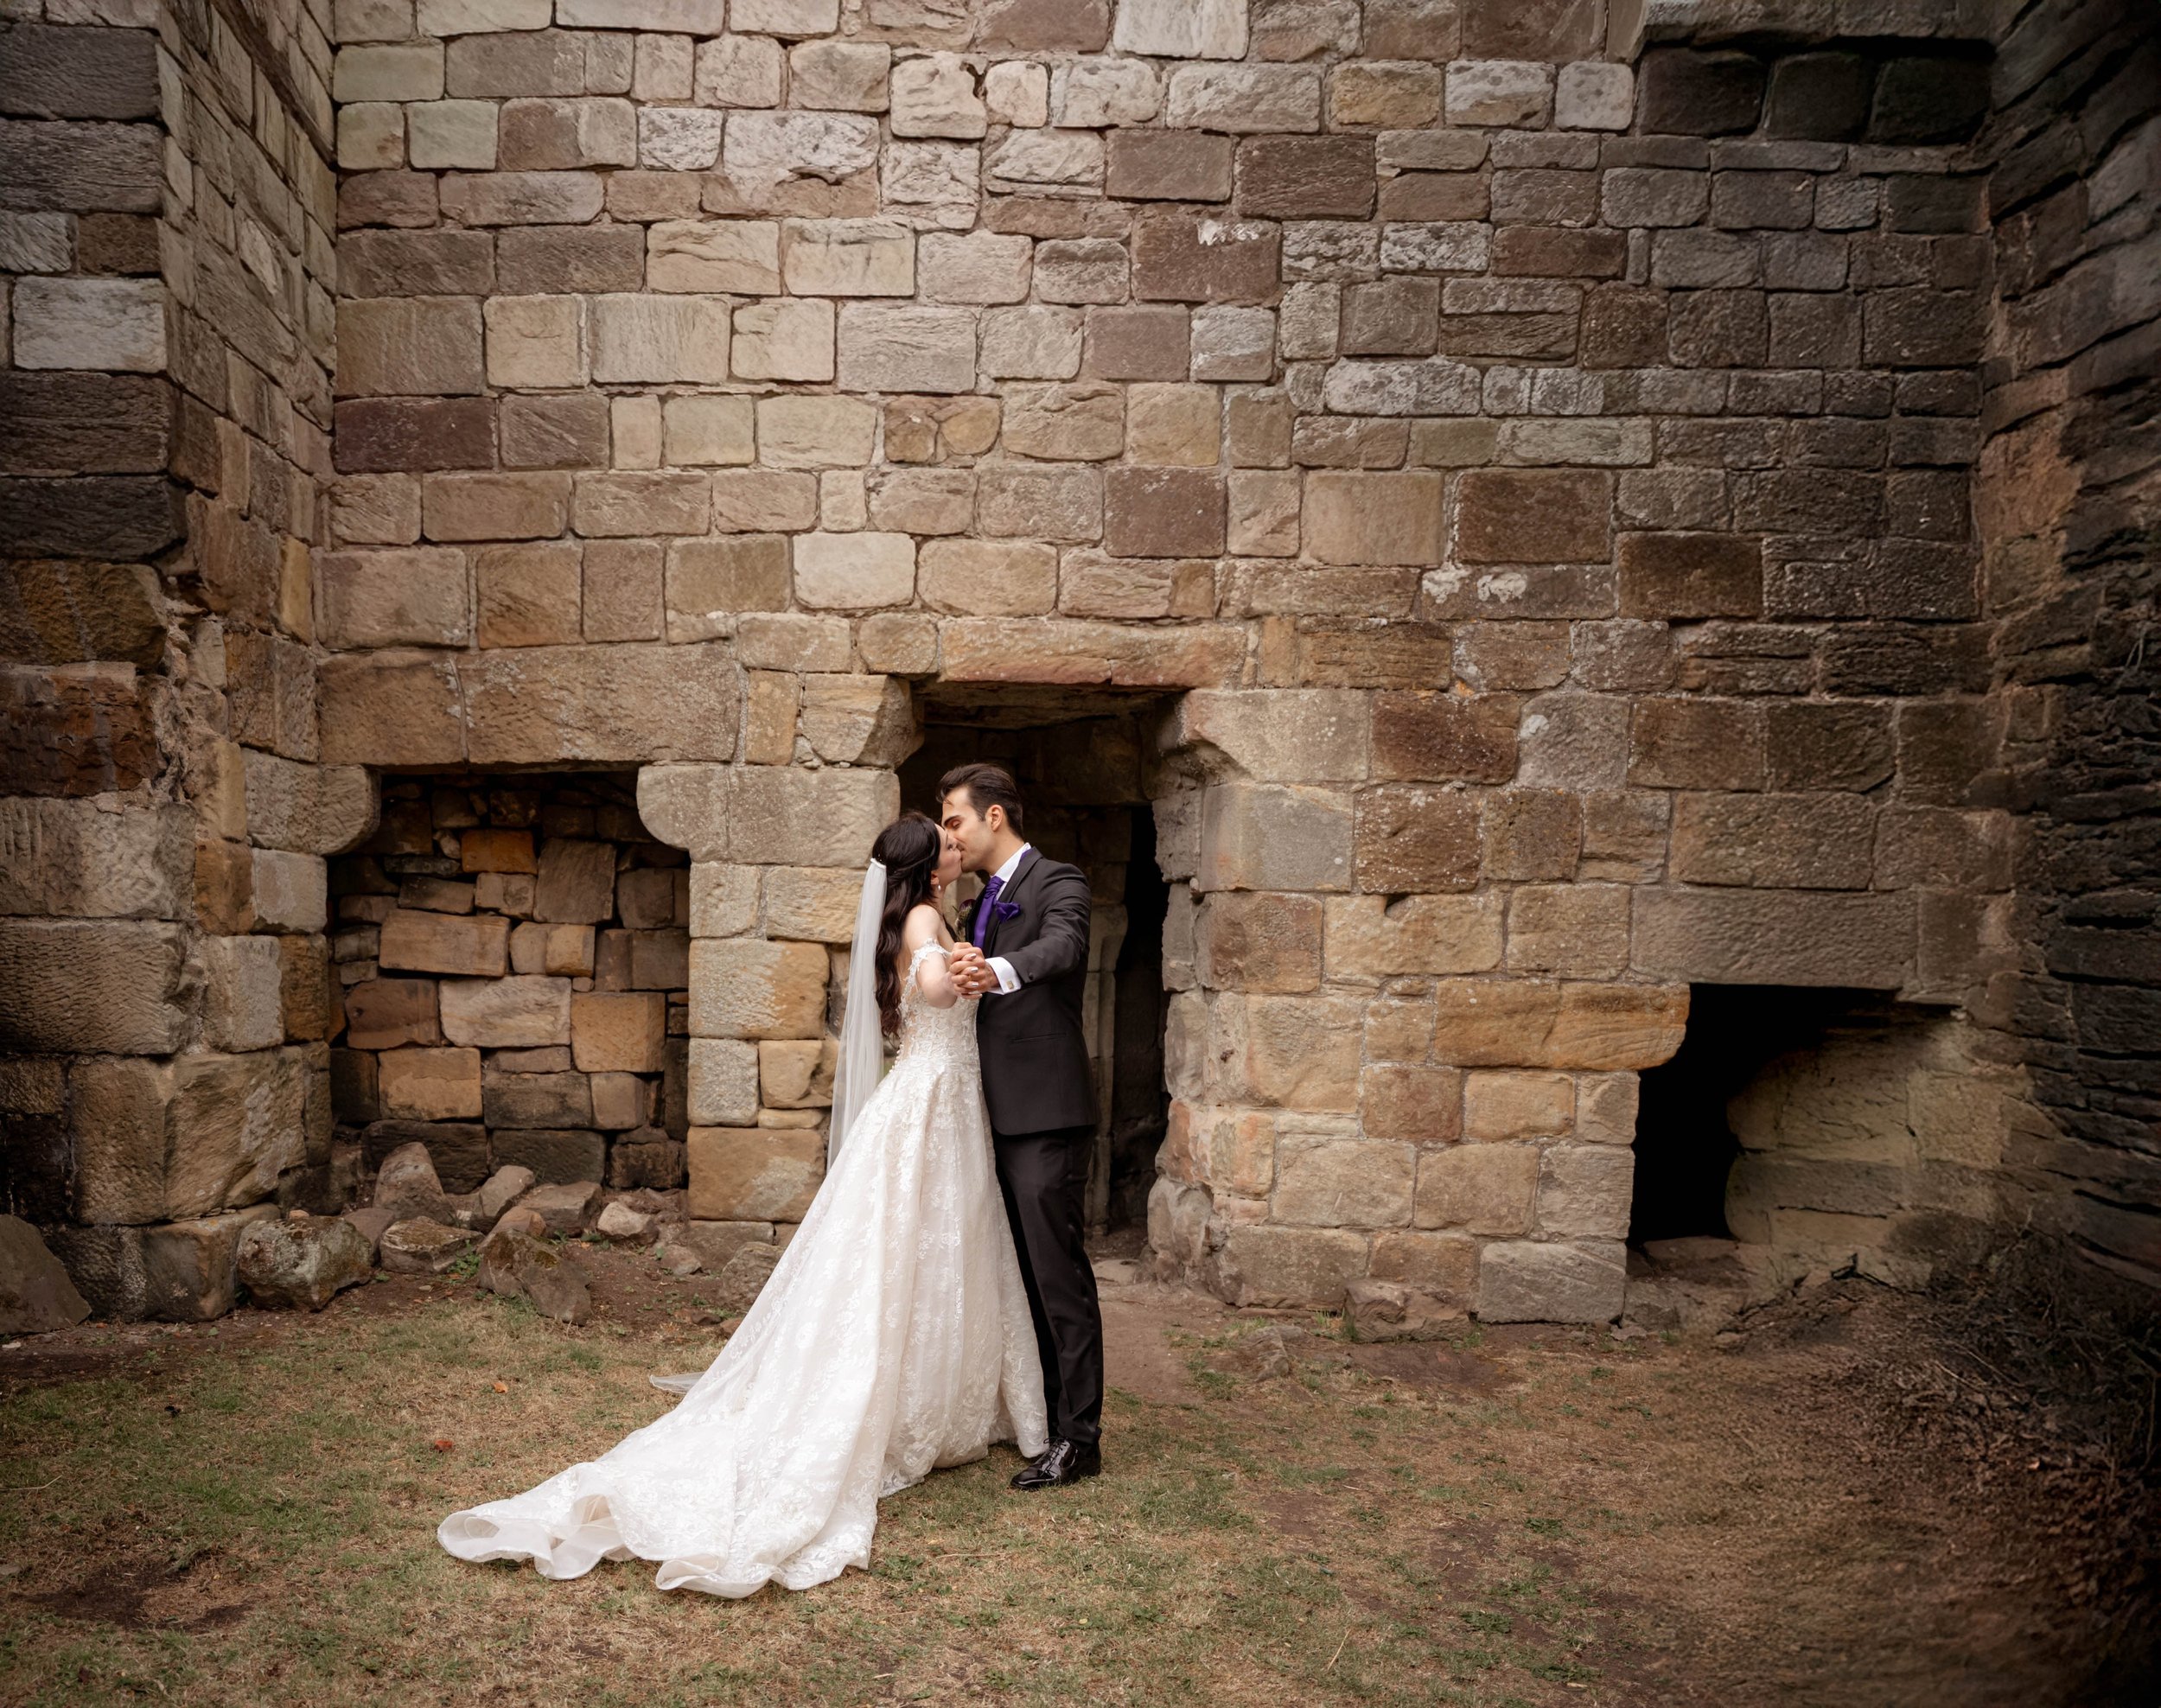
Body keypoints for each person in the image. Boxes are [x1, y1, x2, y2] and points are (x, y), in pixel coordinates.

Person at [437, 812, 1047, 1598]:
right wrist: (962, 966)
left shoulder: (922, 911)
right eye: (948, 842)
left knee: (932, 1247)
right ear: (928, 868)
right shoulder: (931, 919)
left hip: (941, 1100)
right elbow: (931, 986)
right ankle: (915, 1404)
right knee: (922, 1247)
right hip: (933, 1104)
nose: (958, 846)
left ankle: (939, 1393)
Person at [938, 762, 1106, 1491]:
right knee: (1021, 1279)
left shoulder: (1058, 880)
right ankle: (1040, 1417)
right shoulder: (979, 901)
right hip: (989, 1114)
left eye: (955, 819)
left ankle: (1081, 1439)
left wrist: (998, 970)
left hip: (1045, 1111)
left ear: (994, 817)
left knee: (1058, 1275)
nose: (951, 833)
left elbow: (1064, 947)